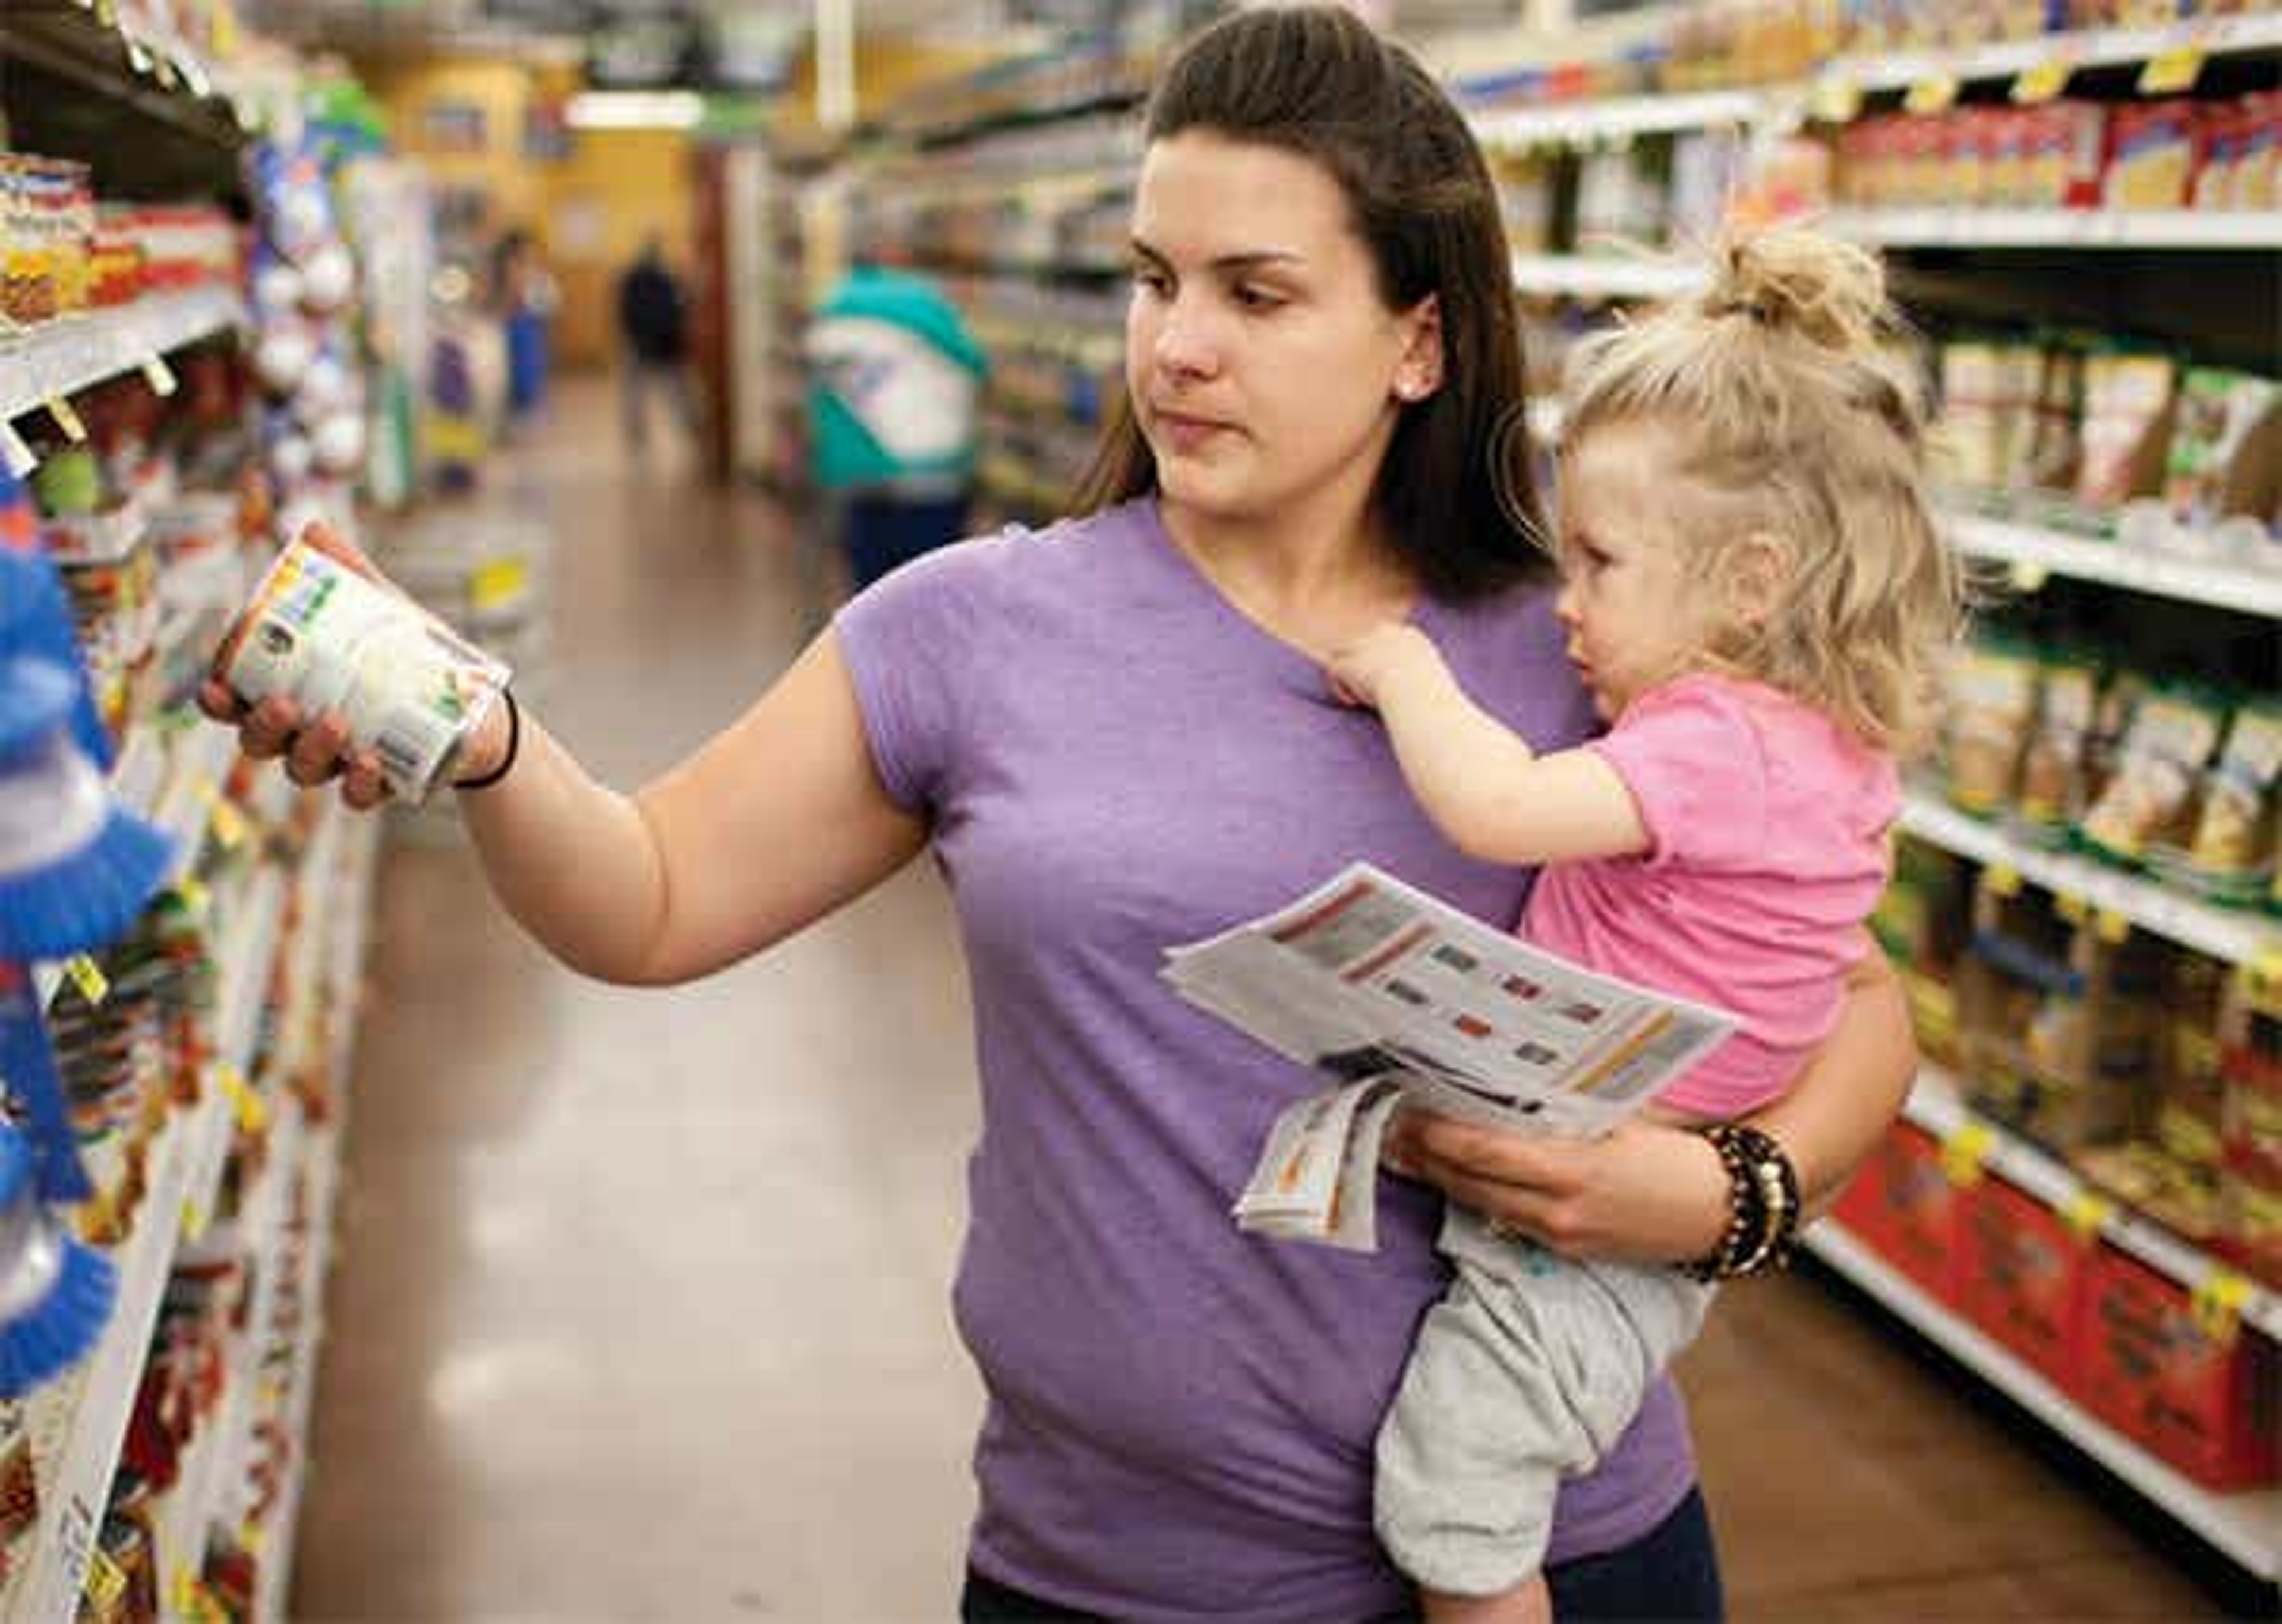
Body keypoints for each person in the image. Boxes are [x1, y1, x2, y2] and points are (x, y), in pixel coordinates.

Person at [200, 10, 1917, 1620]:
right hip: (1115, 1571)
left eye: (1257, 292)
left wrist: (1725, 1197)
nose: (1177, 346)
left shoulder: (1584, 638)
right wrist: (490, 742)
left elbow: (1855, 1000)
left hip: (1564, 1549)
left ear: (1423, 338)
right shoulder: (975, 628)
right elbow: (644, 900)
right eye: (1155, 278)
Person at [1320, 226, 1963, 1624]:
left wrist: (1402, 667)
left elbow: (1495, 807)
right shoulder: (1829, 746)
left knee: (1452, 1485)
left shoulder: (1709, 743)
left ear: (1746, 583)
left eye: (1601, 562)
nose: (1567, 601)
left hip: (1594, 1218)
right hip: (1641, 1183)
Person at [805, 261, 988, 590]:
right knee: (934, 587)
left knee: (872, 591)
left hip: (862, 480)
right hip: (934, 476)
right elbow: (975, 365)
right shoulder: (927, 309)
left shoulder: (830, 319)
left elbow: (824, 408)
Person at [615, 234, 695, 456]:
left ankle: (637, 432)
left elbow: (623, 312)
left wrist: (631, 335)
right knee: (675, 392)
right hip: (664, 344)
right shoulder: (667, 278)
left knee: (636, 392)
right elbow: (678, 310)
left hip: (642, 342)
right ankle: (689, 427)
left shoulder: (632, 278)